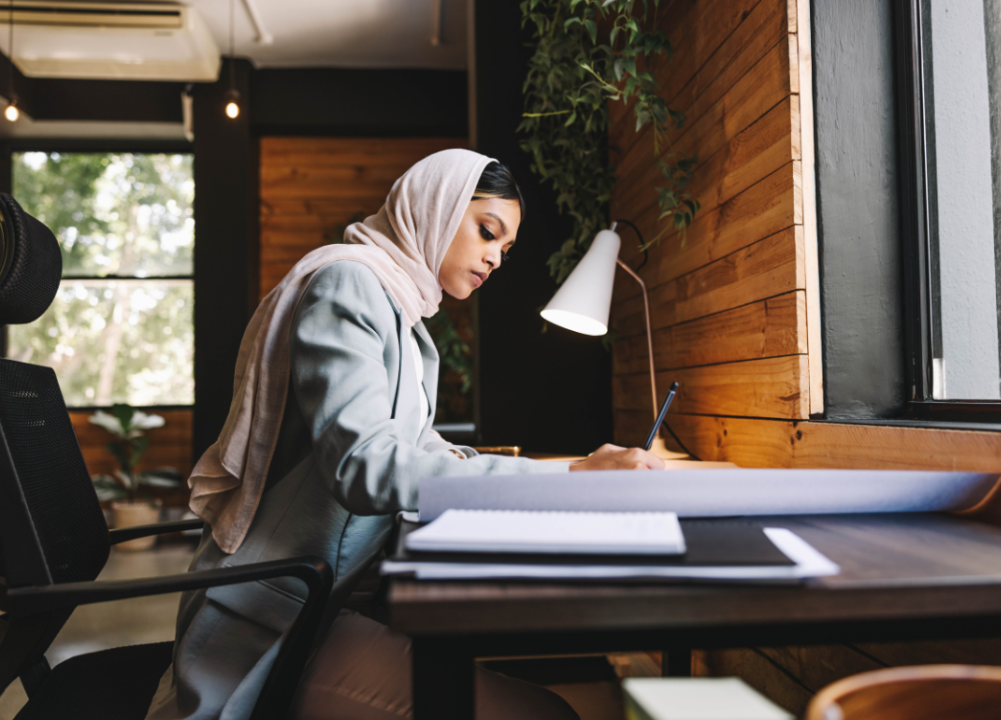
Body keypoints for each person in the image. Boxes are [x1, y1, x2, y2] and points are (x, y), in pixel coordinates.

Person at [145, 149, 663, 720]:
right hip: (272, 623)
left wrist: (539, 467)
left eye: (506, 249)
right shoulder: (349, 286)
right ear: (435, 207)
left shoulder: (400, 311)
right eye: (488, 232)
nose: (495, 257)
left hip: (319, 605)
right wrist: (563, 476)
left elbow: (410, 442)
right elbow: (365, 463)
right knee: (547, 715)